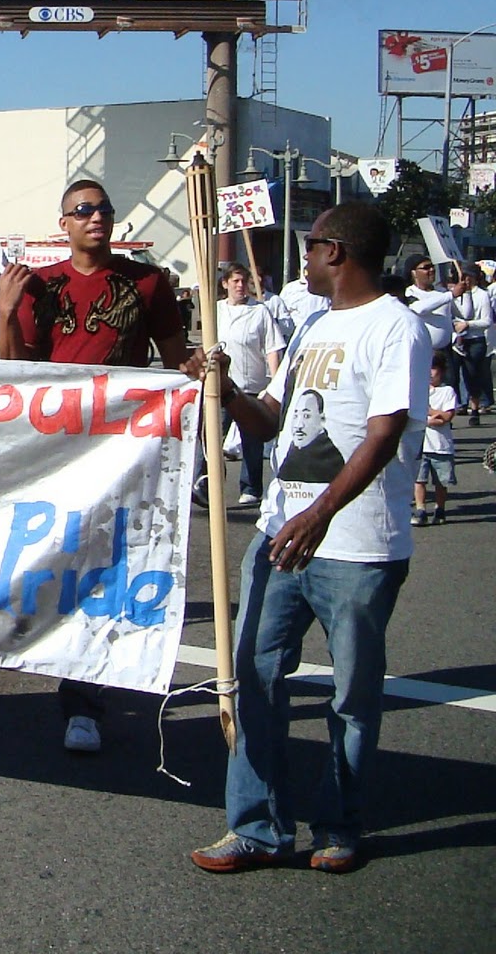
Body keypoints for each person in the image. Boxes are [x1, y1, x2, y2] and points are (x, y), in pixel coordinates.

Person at [189, 202, 430, 875]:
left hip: (356, 546)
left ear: (339, 252)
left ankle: (339, 824)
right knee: (255, 677)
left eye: (312, 244)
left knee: (351, 696)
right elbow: (270, 420)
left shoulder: (396, 329)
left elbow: (384, 433)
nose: (304, 255)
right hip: (280, 535)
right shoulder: (312, 328)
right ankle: (257, 828)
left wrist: (320, 512)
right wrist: (225, 391)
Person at [0, 179, 188, 754]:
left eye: (103, 209)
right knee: (53, 566)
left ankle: (84, 699)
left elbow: (177, 359)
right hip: (54, 450)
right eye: (83, 210)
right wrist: (7, 312)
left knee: (100, 572)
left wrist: (203, 376)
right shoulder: (41, 285)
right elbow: (15, 371)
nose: (95, 218)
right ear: (64, 223)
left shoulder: (147, 282)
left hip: (119, 450)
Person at [217, 263, 286, 504]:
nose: (240, 286)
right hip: (221, 386)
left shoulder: (260, 311)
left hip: (252, 386)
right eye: (235, 281)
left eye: (243, 281)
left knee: (252, 443)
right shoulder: (215, 311)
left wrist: (275, 383)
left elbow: (272, 348)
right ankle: (207, 482)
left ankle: (251, 488)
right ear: (225, 284)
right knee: (211, 438)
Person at [412, 350, 458, 526]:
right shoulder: (418, 391)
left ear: (441, 370)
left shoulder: (447, 391)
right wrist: (433, 415)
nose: (429, 373)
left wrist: (428, 411)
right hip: (421, 445)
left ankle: (440, 509)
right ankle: (421, 509)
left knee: (441, 482)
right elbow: (414, 415)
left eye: (433, 368)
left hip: (441, 446)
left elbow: (446, 418)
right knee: (419, 480)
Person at [451, 262, 492, 425]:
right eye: (463, 276)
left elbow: (487, 320)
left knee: (472, 374)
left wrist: (469, 324)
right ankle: (453, 408)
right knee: (452, 376)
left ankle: (474, 408)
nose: (466, 279)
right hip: (457, 340)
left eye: (468, 276)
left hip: (475, 340)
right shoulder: (453, 293)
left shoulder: (482, 295)